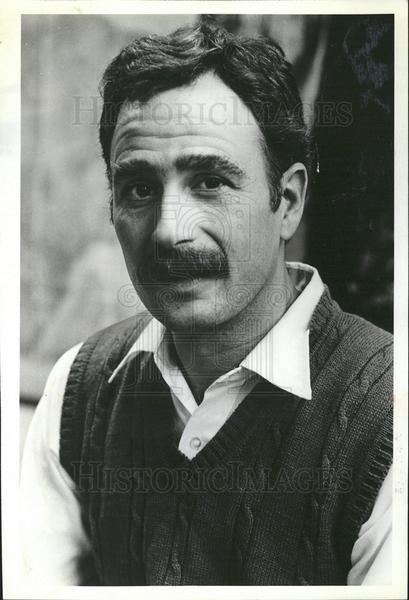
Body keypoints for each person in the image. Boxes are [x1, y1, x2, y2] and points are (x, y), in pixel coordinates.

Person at [21, 19, 393, 586]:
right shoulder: (78, 390)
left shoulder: (388, 419)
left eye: (209, 182)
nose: (170, 230)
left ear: (287, 201)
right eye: (139, 189)